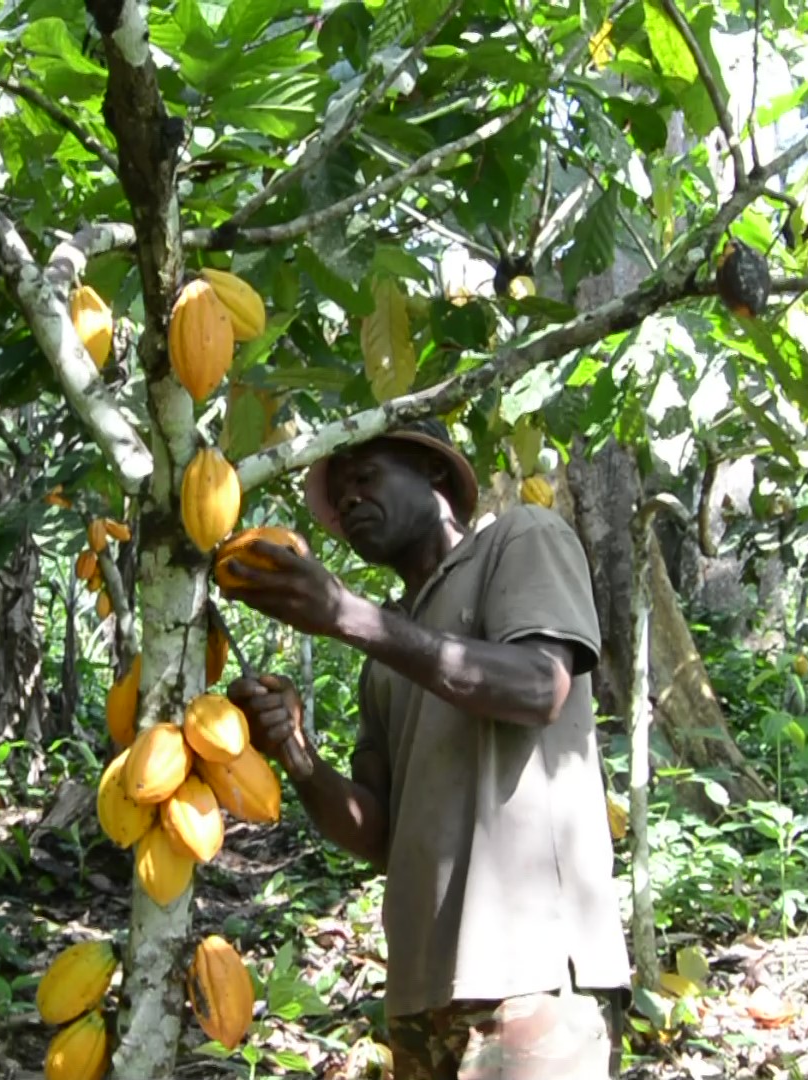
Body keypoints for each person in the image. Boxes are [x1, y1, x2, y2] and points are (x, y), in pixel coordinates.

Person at [219, 419, 630, 1080]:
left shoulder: (521, 538)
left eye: (365, 476)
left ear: (434, 472)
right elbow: (382, 832)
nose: (349, 500)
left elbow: (537, 687)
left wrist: (347, 616)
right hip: (421, 995)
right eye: (338, 493)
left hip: (533, 977)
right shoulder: (386, 649)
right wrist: (295, 754)